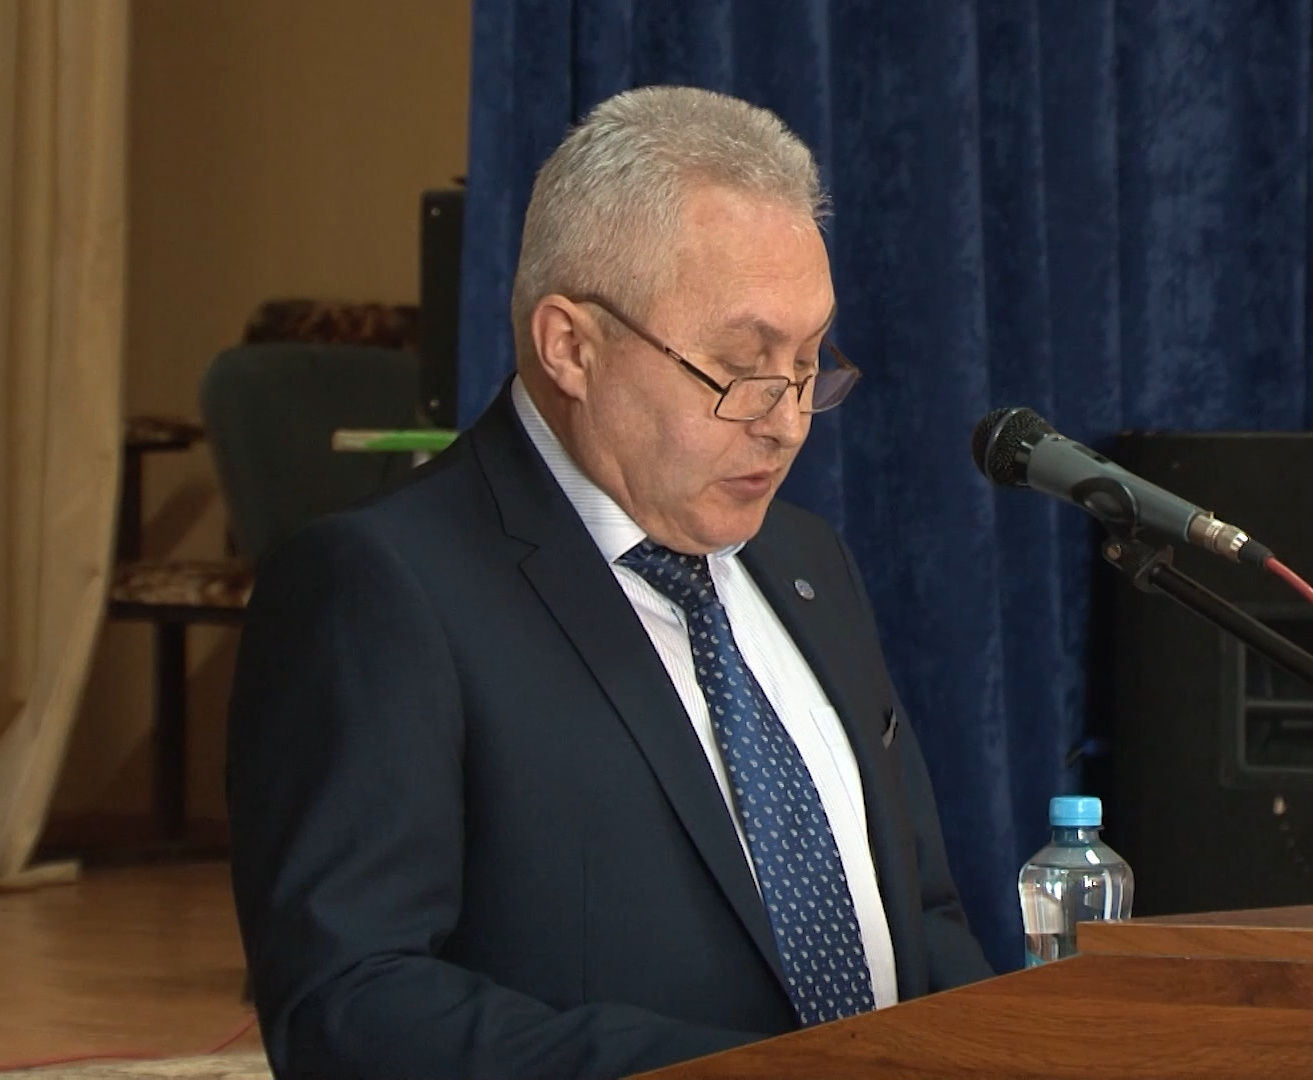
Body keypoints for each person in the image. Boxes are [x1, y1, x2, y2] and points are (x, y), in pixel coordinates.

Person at [227, 85, 993, 1080]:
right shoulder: (383, 589)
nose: (787, 421)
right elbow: (349, 1002)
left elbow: (916, 912)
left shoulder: (810, 563)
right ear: (571, 347)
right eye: (742, 367)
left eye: (809, 364)